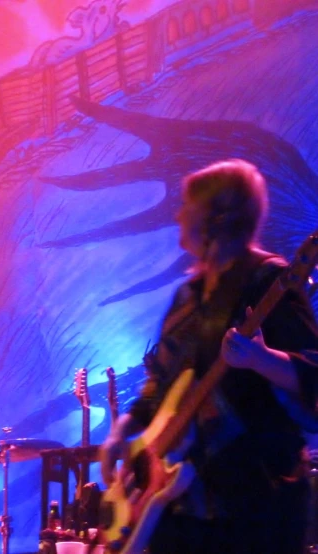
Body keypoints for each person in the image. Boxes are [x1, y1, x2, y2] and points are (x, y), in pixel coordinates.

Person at [100, 159, 318, 554]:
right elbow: (161, 386)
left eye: (189, 206)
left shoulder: (268, 280)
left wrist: (262, 360)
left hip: (256, 508)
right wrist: (124, 429)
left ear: (218, 218)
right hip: (184, 516)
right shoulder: (187, 297)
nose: (179, 214)